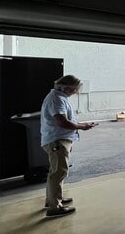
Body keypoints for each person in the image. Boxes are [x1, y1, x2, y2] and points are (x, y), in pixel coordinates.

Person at [40, 75, 96, 218]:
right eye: (74, 89)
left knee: (55, 172)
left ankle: (53, 199)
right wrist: (82, 127)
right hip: (58, 140)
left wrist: (81, 125)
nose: (75, 92)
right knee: (59, 172)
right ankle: (55, 207)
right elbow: (62, 122)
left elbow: (65, 120)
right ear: (65, 87)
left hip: (58, 140)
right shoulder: (57, 99)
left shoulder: (59, 97)